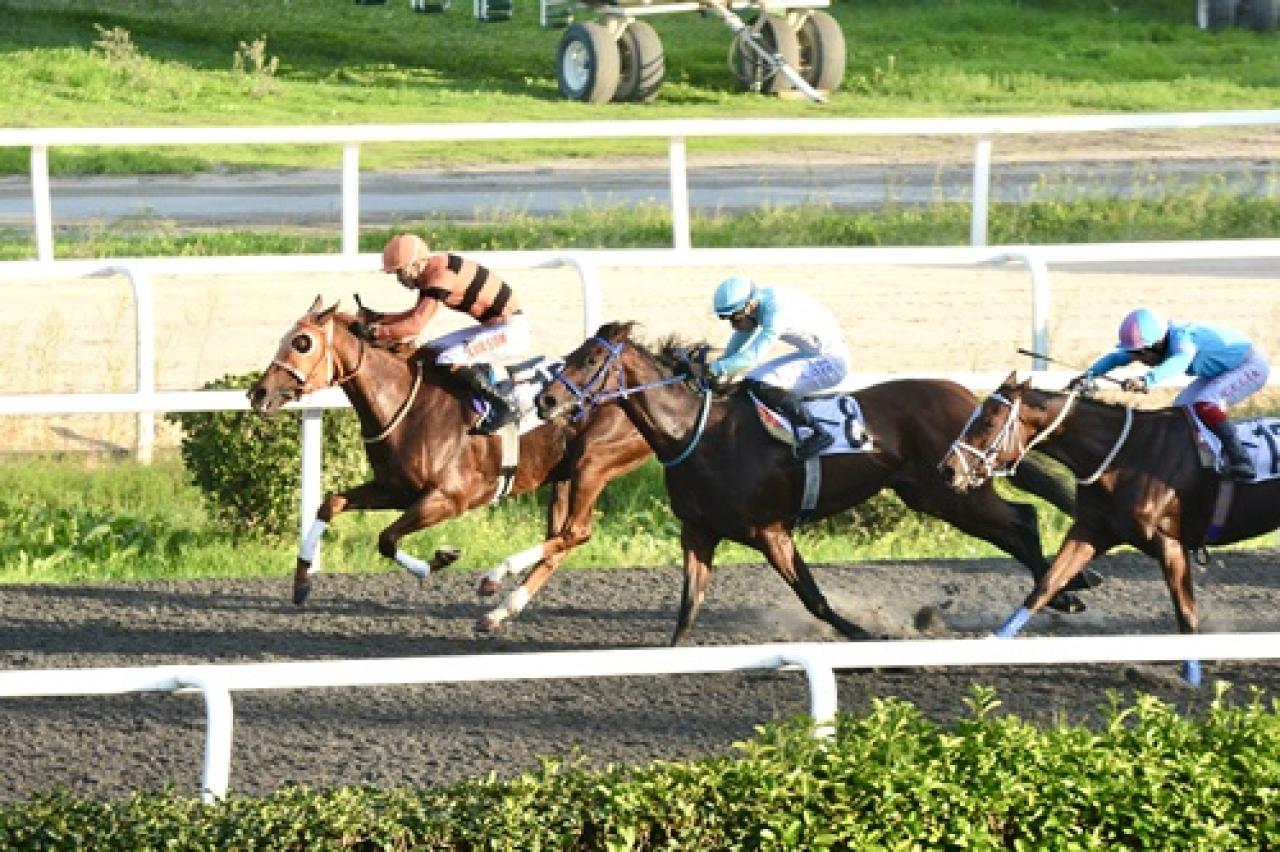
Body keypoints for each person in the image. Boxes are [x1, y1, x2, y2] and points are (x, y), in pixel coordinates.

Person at [1071, 307, 1269, 480]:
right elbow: (1116, 358)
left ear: (1156, 345)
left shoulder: (1181, 339)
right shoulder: (1154, 342)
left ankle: (1242, 460)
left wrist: (1146, 380)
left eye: (1139, 354)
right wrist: (1088, 376)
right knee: (1181, 409)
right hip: (1225, 369)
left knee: (1206, 402)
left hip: (1250, 365)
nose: (1137, 359)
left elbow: (1180, 361)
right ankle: (1202, 458)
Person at [363, 233, 531, 435]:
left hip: (511, 330)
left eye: (400, 272)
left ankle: (504, 406)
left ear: (416, 265)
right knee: (430, 351)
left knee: (448, 358)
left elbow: (415, 325)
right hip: (495, 327)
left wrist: (378, 332)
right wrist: (379, 317)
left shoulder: (441, 276)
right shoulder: (432, 271)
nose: (399, 280)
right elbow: (414, 314)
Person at [704, 275, 851, 461]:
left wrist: (715, 369)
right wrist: (715, 365)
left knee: (761, 382)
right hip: (814, 353)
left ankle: (818, 433)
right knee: (752, 380)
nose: (733, 324)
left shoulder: (776, 311)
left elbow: (752, 357)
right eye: (727, 319)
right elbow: (735, 347)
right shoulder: (754, 305)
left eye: (735, 317)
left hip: (832, 361)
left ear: (750, 306)